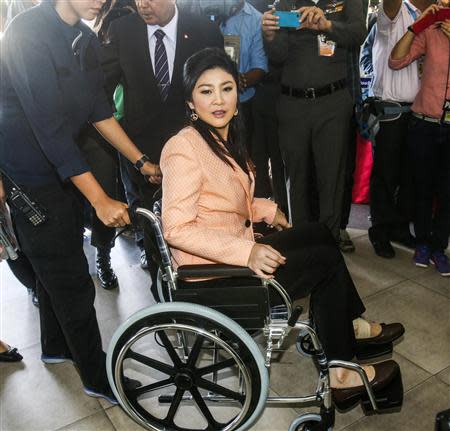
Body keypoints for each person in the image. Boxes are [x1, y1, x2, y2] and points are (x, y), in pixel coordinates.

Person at [161, 48, 404, 407]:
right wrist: (247, 251)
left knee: (319, 232)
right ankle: (341, 374)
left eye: (226, 88)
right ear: (190, 102)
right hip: (216, 274)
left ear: (238, 95)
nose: (218, 100)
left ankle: (346, 324)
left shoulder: (221, 138)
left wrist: (266, 209)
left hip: (235, 249)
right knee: (322, 261)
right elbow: (176, 229)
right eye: (206, 91)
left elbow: (221, 199)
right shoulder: (183, 148)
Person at [0, 0, 155, 401]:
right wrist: (101, 198)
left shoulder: (84, 37)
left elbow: (98, 109)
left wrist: (140, 161)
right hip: (30, 174)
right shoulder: (26, 32)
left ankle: (55, 346)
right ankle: (96, 374)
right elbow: (47, 125)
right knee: (71, 278)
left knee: (59, 261)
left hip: (65, 168)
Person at [102, 0, 224, 298]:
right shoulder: (122, 30)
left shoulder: (204, 30)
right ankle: (166, 306)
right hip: (143, 157)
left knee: (199, 230)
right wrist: (135, 157)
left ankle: (204, 298)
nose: (143, 4)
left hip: (196, 153)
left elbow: (219, 96)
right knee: (155, 235)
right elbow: (100, 95)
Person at [261, 1, 366, 243]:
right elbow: (278, 56)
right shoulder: (286, 2)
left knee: (331, 178)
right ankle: (299, 242)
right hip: (292, 103)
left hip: (332, 102)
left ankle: (328, 245)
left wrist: (327, 25)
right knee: (295, 178)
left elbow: (358, 33)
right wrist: (269, 35)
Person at [365, 0, 434, 259]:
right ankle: (379, 231)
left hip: (420, 109)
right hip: (391, 109)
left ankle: (400, 228)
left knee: (409, 175)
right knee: (386, 174)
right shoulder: (395, 11)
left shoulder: (435, 16)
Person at [390, 4, 450, 276]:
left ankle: (439, 246)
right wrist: (418, 26)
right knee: (423, 189)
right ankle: (423, 242)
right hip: (424, 123)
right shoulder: (431, 31)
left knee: (448, 193)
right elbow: (396, 60)